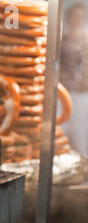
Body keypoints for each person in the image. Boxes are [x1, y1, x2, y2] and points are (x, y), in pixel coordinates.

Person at [60, 3, 88, 156]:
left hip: (82, 94)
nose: (76, 20)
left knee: (80, 135)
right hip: (63, 91)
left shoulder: (86, 41)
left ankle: (84, 169)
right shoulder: (62, 41)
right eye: (74, 16)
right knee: (61, 131)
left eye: (80, 17)